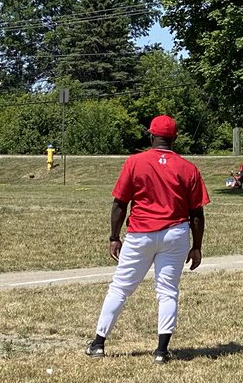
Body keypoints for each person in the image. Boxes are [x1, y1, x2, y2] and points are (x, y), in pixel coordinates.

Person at [86, 115, 210, 363]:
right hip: (175, 234)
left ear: (151, 135)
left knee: (120, 288)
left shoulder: (135, 162)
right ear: (174, 138)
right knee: (167, 291)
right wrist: (196, 246)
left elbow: (120, 203)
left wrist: (114, 236)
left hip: (140, 233)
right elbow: (197, 213)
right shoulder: (188, 168)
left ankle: (99, 343)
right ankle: (161, 351)